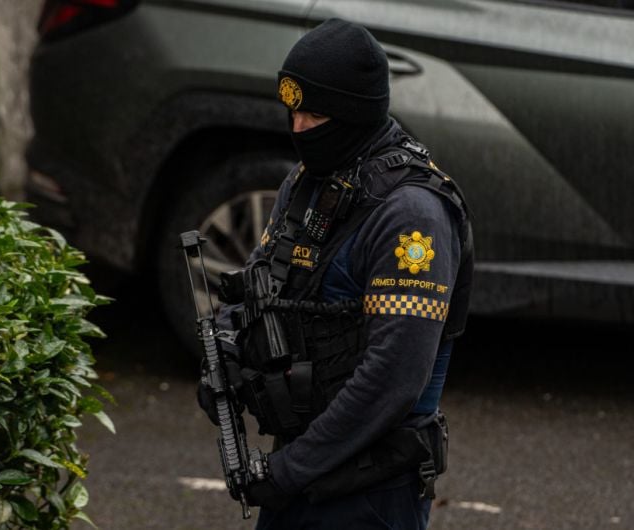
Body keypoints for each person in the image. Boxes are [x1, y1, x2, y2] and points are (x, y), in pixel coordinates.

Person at [198, 18, 474, 529]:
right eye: (293, 111)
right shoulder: (309, 183)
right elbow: (265, 287)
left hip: (369, 492)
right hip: (302, 472)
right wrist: (229, 348)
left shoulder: (411, 214)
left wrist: (287, 472)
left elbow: (394, 378)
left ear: (355, 113)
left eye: (315, 113)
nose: (299, 128)